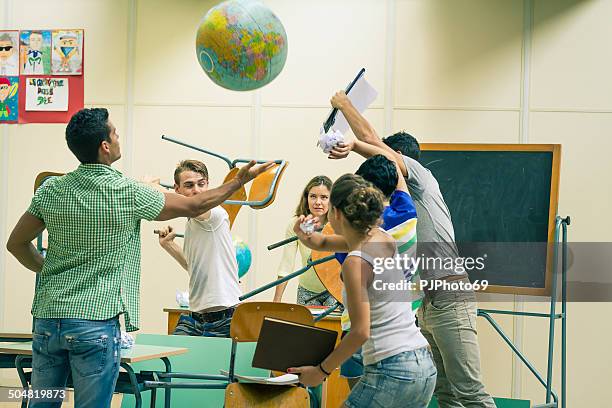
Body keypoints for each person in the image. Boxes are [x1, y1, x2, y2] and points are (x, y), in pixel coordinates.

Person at [5, 108, 272, 408]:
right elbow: (195, 206)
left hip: (47, 320)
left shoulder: (51, 189)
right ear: (105, 146)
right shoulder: (127, 191)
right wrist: (238, 182)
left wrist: (49, 270)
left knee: (43, 403)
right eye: (115, 133)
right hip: (94, 325)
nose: (119, 138)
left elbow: (16, 244)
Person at [329, 91, 496, 408]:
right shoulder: (398, 209)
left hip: (449, 294)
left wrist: (345, 108)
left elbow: (371, 140)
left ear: (400, 157)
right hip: (427, 305)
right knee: (446, 394)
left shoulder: (421, 177)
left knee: (471, 393)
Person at [288, 174, 436, 408]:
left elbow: (359, 332)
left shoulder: (354, 263)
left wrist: (321, 370)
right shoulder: (381, 238)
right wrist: (302, 230)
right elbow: (322, 243)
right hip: (423, 364)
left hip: (392, 367)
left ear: (335, 213)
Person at [157, 160, 241, 337]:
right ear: (177, 189)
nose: (196, 190)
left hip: (224, 318)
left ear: (208, 185)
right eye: (189, 185)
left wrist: (150, 187)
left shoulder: (213, 214)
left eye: (201, 184)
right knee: (170, 361)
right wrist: (169, 245)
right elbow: (193, 266)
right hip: (195, 317)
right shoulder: (192, 222)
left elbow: (187, 207)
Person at [273, 175, 336, 306]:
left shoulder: (338, 224)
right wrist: (276, 301)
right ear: (306, 198)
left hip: (334, 291)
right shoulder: (297, 224)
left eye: (324, 197)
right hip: (306, 291)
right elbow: (286, 265)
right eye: (313, 196)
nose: (318, 202)